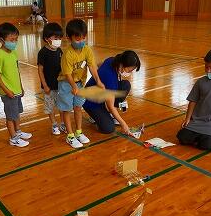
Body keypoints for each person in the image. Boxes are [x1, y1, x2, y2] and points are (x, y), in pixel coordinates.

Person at [57, 18, 105, 148]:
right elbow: (67, 74)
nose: (81, 41)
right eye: (78, 39)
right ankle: (70, 136)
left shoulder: (87, 50)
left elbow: (92, 66)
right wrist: (73, 87)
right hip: (66, 84)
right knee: (67, 110)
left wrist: (98, 81)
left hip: (79, 83)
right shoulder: (67, 54)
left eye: (83, 38)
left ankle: (78, 132)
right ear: (69, 38)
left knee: (78, 108)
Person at [177, 48, 211, 150]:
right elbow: (193, 101)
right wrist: (187, 119)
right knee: (182, 138)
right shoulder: (201, 82)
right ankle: (198, 136)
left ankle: (204, 138)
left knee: (208, 146)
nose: (208, 70)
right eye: (206, 67)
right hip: (197, 121)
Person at [83, 51, 141, 134]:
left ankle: (105, 115)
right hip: (91, 102)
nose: (130, 73)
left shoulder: (112, 60)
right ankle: (95, 116)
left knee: (125, 85)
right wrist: (123, 124)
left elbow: (99, 65)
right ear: (121, 64)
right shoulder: (110, 79)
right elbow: (110, 106)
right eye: (129, 70)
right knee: (108, 128)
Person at [0, 22, 32, 147]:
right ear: (1, 40)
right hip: (8, 93)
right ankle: (13, 138)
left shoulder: (13, 52)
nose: (14, 42)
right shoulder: (0, 55)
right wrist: (6, 90)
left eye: (16, 39)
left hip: (16, 91)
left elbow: (17, 71)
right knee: (10, 116)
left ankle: (18, 132)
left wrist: (21, 86)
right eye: (11, 40)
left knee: (16, 113)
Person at [37, 23, 65, 135]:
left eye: (59, 38)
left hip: (60, 85)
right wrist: (45, 85)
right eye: (55, 38)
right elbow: (40, 70)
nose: (58, 41)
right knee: (50, 107)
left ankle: (63, 123)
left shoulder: (59, 51)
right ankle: (54, 124)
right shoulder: (43, 52)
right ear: (47, 39)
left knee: (62, 106)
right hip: (49, 86)